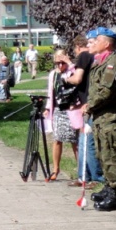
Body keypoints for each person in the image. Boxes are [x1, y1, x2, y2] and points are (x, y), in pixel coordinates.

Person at [83, 28, 116, 211]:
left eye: (96, 40)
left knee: (110, 154)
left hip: (109, 116)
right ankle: (109, 187)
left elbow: (106, 90)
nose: (90, 44)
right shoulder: (100, 61)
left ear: (107, 43)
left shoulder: (112, 63)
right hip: (101, 116)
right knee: (102, 153)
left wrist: (90, 104)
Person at [67, 34, 104, 188]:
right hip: (86, 103)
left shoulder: (83, 55)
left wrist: (64, 78)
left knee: (88, 142)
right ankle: (83, 176)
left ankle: (96, 177)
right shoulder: (92, 57)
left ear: (77, 47)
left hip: (89, 104)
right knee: (83, 141)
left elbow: (77, 79)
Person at [43, 50, 80, 179]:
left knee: (75, 140)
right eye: (57, 63)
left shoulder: (71, 71)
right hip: (59, 109)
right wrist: (48, 108)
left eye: (62, 62)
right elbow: (50, 92)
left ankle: (81, 170)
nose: (60, 66)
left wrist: (69, 63)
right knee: (57, 138)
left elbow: (78, 77)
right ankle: (55, 169)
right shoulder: (53, 74)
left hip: (72, 109)